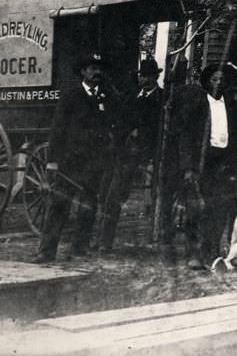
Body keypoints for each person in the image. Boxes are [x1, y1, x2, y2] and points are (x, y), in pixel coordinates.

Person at [34, 52, 115, 263]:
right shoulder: (71, 96)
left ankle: (80, 248)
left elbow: (112, 126)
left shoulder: (106, 97)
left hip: (94, 162)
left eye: (99, 68)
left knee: (88, 205)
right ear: (83, 72)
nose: (96, 72)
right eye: (91, 68)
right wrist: (52, 161)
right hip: (70, 162)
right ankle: (46, 251)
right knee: (59, 205)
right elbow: (58, 130)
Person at [173, 61, 237, 270]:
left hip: (222, 163)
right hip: (201, 162)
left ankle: (212, 251)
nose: (218, 83)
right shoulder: (197, 106)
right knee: (197, 209)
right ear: (207, 82)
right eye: (214, 79)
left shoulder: (232, 106)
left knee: (219, 208)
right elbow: (185, 137)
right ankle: (194, 252)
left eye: (222, 80)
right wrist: (188, 167)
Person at [99, 56, 165, 253]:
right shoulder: (132, 97)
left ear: (156, 77)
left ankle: (158, 240)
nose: (144, 80)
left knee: (157, 194)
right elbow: (121, 121)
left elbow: (160, 127)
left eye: (148, 76)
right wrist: (126, 133)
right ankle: (105, 242)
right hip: (128, 152)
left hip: (151, 150)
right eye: (142, 76)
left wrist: (142, 133)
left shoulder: (162, 99)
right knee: (113, 194)